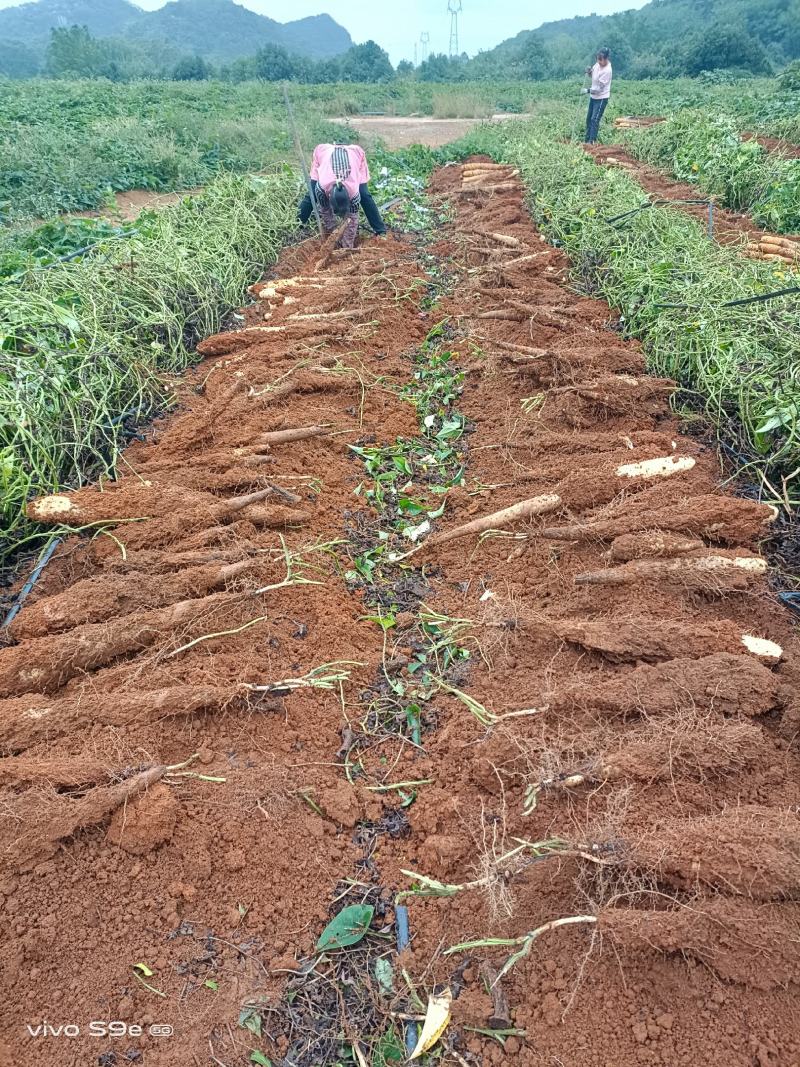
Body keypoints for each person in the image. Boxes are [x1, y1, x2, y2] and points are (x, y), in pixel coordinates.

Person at [298, 143, 386, 248]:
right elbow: (326, 213)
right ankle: (295, 226)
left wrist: (346, 246)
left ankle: (381, 231)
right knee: (311, 196)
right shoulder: (321, 189)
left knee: (365, 195)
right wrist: (334, 236)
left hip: (354, 155)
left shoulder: (354, 194)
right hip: (324, 154)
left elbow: (352, 219)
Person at [583, 48, 613, 144]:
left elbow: (599, 90)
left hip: (601, 98)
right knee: (588, 119)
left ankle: (592, 142)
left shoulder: (607, 71)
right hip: (593, 97)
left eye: (601, 60)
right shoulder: (597, 64)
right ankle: (587, 140)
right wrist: (589, 72)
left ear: (606, 58)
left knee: (594, 119)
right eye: (598, 59)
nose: (599, 62)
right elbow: (593, 76)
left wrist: (587, 90)